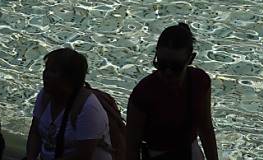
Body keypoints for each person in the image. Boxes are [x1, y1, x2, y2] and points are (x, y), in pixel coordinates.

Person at [126, 23, 218, 160]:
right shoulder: (143, 93)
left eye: (175, 66)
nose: (167, 72)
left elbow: (206, 128)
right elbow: (131, 148)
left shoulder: (200, 82)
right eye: (161, 64)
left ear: (190, 59)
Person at [27, 47, 112, 160]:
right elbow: (35, 133)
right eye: (46, 69)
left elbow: (84, 156)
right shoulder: (45, 96)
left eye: (53, 71)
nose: (45, 75)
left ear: (69, 78)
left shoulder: (88, 108)